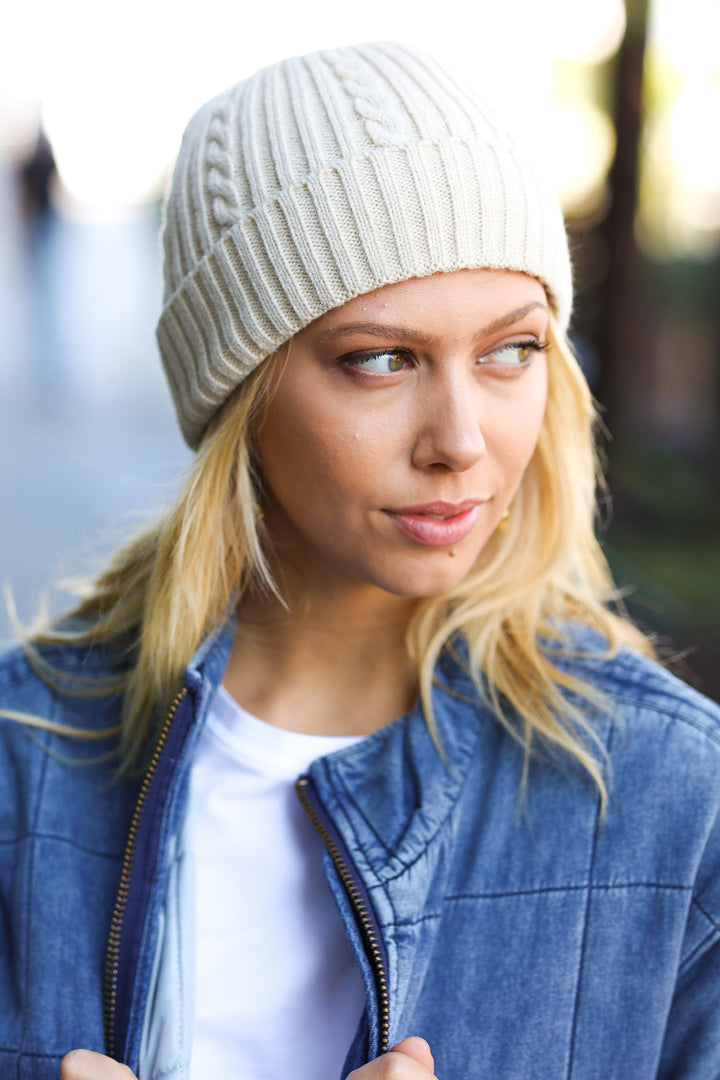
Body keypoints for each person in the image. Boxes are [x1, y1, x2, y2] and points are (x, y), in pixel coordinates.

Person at [1, 41, 719, 1080]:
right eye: (381, 359)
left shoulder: (673, 798)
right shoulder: (21, 760)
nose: (461, 441)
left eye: (511, 349)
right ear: (241, 391)